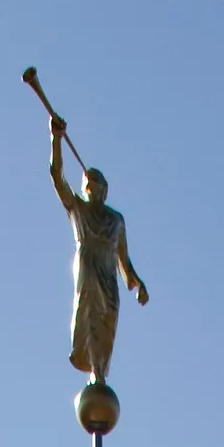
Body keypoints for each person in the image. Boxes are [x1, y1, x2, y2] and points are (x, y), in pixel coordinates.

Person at [51, 119, 148, 380]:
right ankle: (97, 373)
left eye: (95, 182)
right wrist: (56, 140)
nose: (90, 186)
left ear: (105, 191)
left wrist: (138, 284)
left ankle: (101, 368)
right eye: (87, 183)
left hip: (108, 267)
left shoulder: (116, 220)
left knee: (109, 314)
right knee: (91, 312)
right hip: (88, 260)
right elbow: (57, 177)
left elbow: (123, 259)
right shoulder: (78, 209)